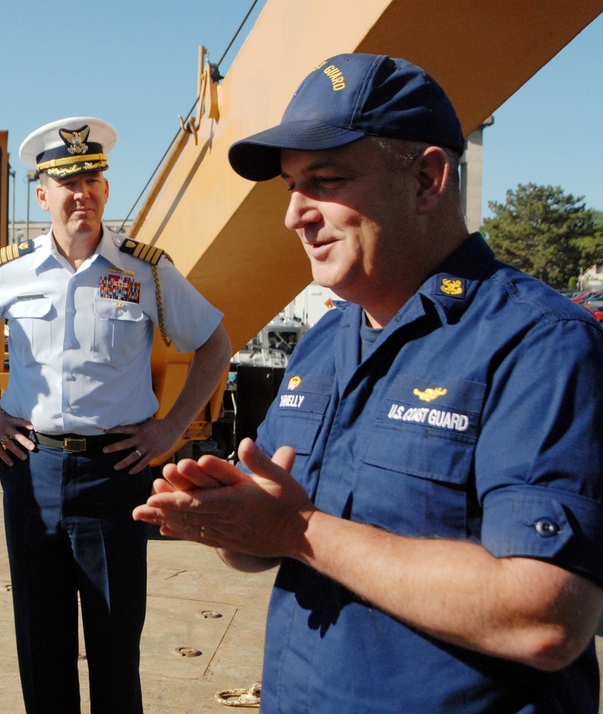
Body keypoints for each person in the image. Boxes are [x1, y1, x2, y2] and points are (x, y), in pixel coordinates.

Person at [133, 53, 603, 712]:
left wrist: (297, 529)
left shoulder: (539, 346)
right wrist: (233, 522)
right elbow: (276, 543)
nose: (296, 214)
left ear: (427, 180)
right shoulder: (325, 343)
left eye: (325, 180)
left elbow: (548, 616)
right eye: (291, 186)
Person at [0, 116, 231, 713]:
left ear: (105, 188)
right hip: (33, 471)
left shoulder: (145, 269)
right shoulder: (9, 270)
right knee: (41, 648)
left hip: (115, 474)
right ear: (42, 193)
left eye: (93, 179)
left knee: (114, 647)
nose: (82, 192)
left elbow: (213, 342)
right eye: (66, 181)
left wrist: (171, 427)